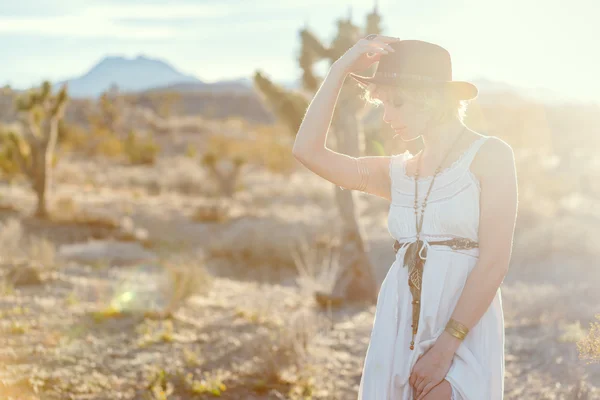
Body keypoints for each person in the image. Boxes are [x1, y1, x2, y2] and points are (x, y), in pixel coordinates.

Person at [292, 35, 517, 400]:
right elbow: (307, 150)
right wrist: (339, 71)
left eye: (395, 102)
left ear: (431, 98)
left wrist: (445, 348)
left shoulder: (490, 155)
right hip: (397, 327)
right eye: (381, 103)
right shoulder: (397, 173)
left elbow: (494, 263)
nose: (387, 116)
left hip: (461, 329)